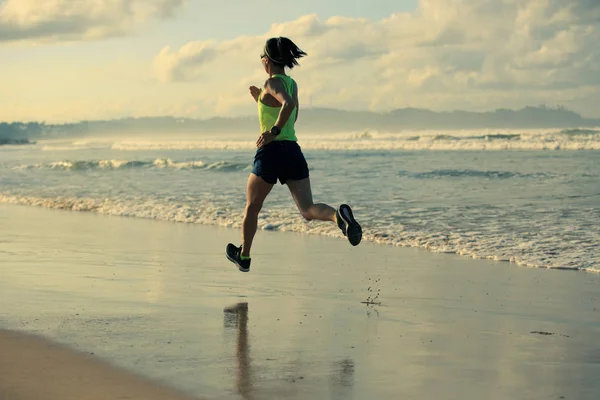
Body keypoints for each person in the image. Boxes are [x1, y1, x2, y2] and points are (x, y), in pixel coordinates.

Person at [226, 37, 362, 272]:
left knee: (252, 206)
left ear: (267, 60)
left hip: (270, 152)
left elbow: (287, 105)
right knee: (307, 209)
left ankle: (244, 256)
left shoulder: (271, 83)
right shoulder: (291, 83)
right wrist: (261, 100)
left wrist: (272, 131)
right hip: (292, 151)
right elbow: (291, 113)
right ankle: (338, 218)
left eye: (261, 58)